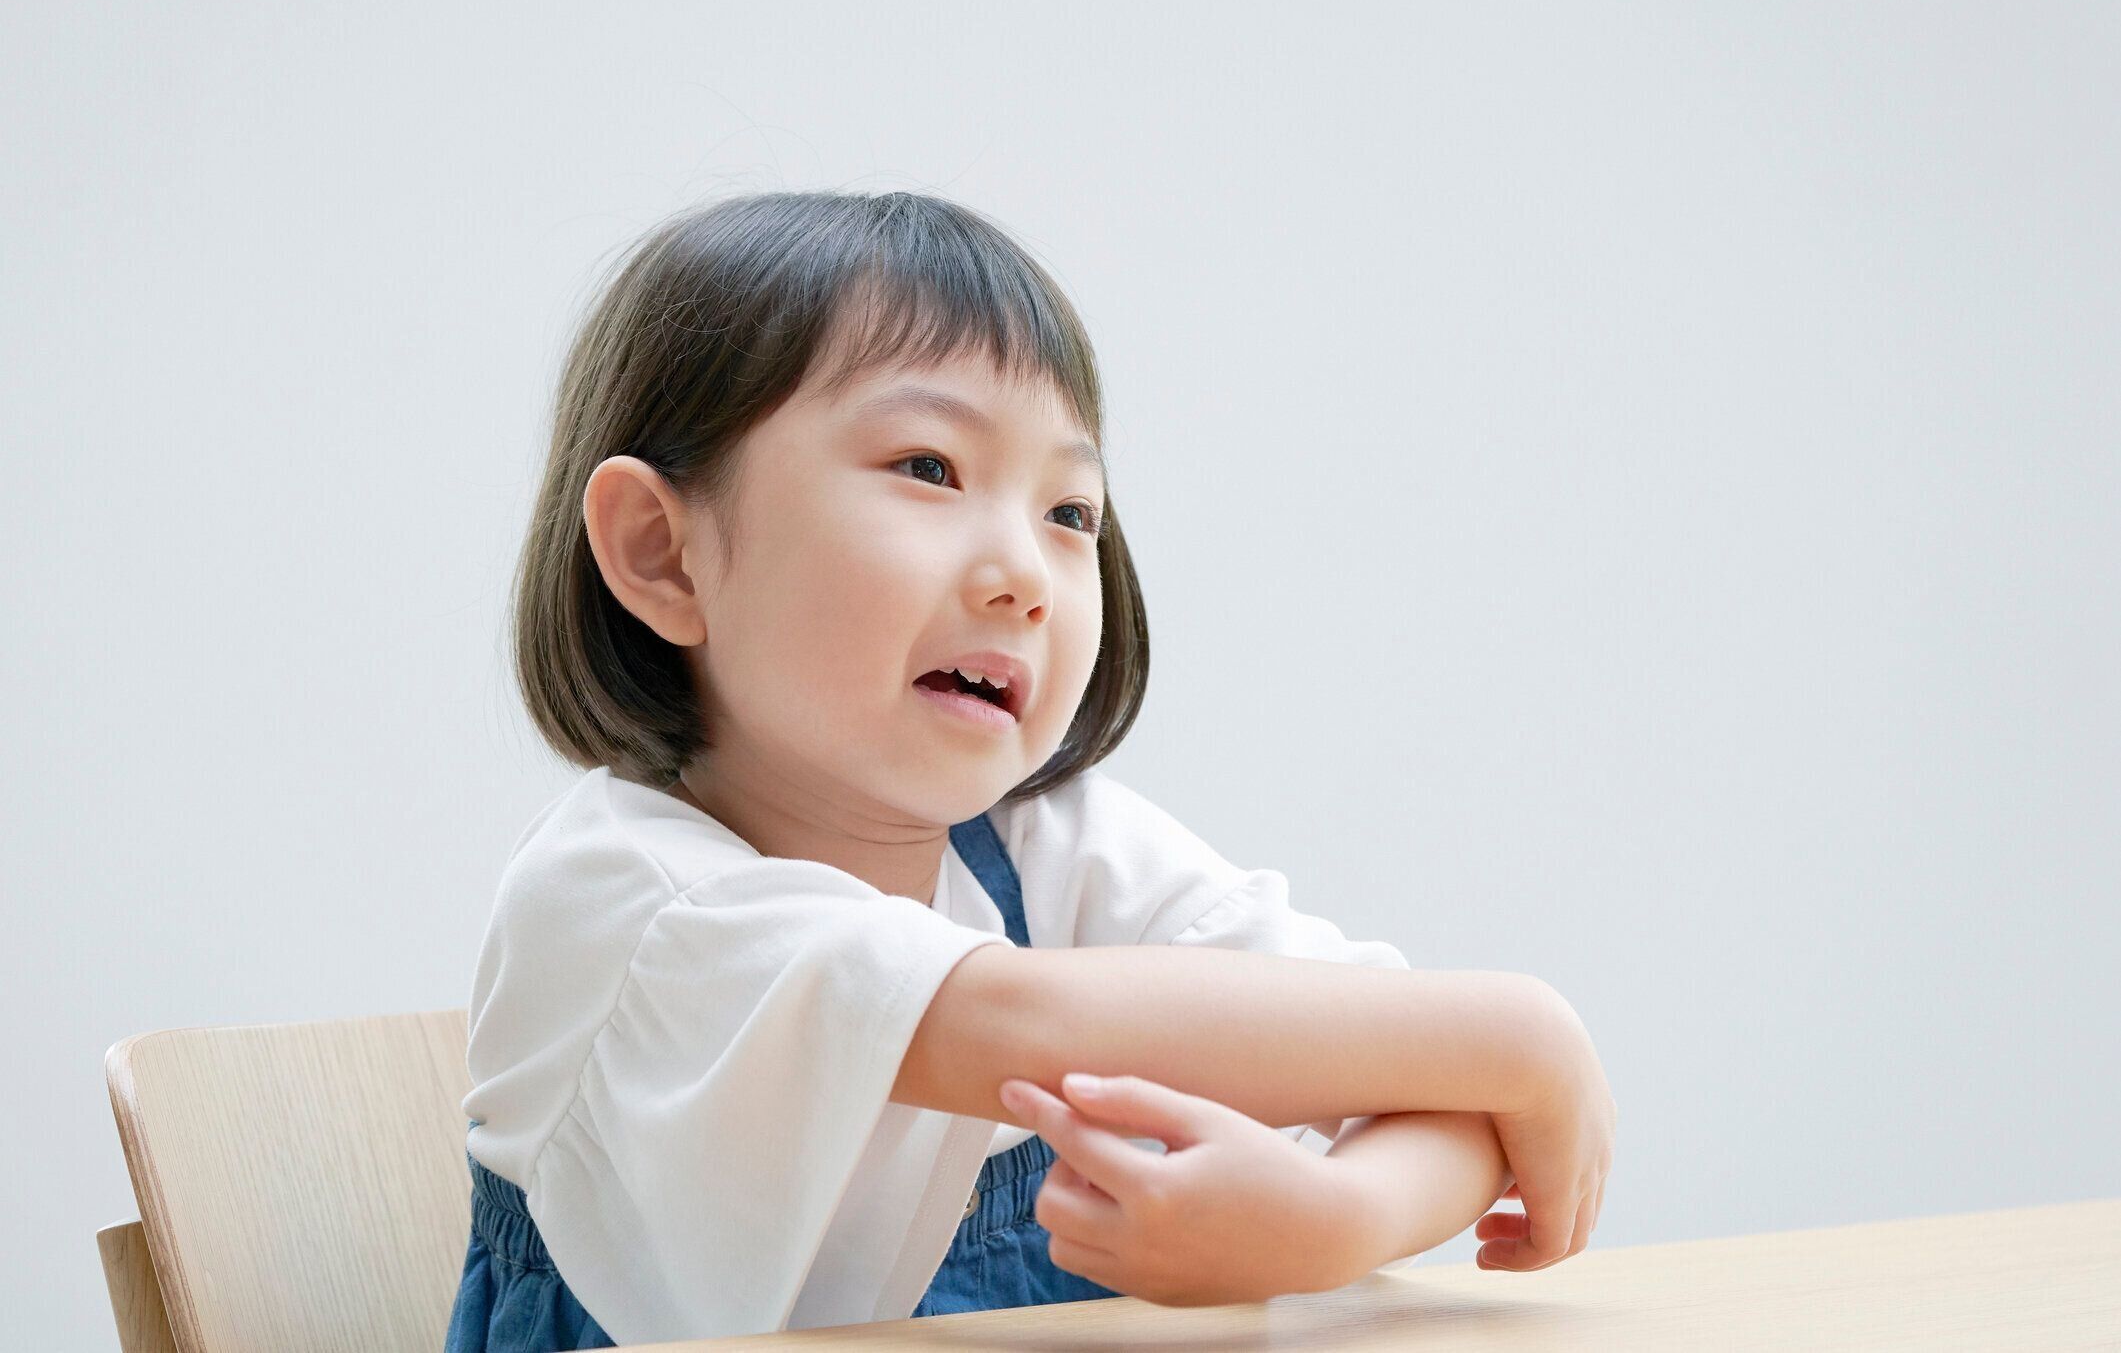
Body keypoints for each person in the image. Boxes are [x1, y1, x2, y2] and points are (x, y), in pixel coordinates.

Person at [444, 190, 1615, 1349]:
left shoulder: (1047, 844)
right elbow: (1020, 1022)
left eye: (1070, 509)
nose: (1027, 574)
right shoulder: (622, 897)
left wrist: (1338, 1217)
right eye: (929, 467)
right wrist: (1525, 1035)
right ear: (665, 552)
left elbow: (1418, 1066)